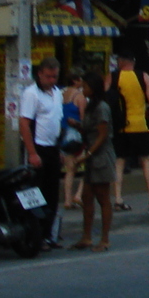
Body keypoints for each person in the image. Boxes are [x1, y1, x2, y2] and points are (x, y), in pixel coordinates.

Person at [108, 49, 149, 211]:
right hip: (140, 125)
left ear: (120, 62)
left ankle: (118, 200)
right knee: (146, 160)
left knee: (119, 162)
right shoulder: (143, 77)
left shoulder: (112, 77)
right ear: (133, 62)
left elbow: (105, 100)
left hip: (120, 127)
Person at [19, 57, 64, 249]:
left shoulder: (57, 93)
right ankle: (35, 233)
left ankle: (48, 234)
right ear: (40, 74)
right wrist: (32, 152)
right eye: (48, 77)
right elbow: (24, 123)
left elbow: (57, 121)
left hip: (53, 148)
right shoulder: (31, 94)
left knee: (52, 193)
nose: (52, 80)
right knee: (38, 192)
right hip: (38, 148)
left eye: (55, 77)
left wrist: (59, 149)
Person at [72, 75, 115, 251]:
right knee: (87, 196)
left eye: (86, 86)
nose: (83, 89)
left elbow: (102, 135)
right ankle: (86, 236)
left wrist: (87, 154)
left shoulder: (101, 108)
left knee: (103, 197)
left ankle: (104, 239)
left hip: (100, 156)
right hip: (91, 155)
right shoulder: (90, 106)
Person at [59, 68, 87, 211]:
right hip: (76, 134)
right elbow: (83, 119)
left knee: (69, 170)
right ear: (76, 81)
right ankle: (78, 194)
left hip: (62, 134)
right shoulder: (79, 96)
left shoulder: (61, 94)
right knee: (89, 163)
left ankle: (67, 200)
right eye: (80, 80)